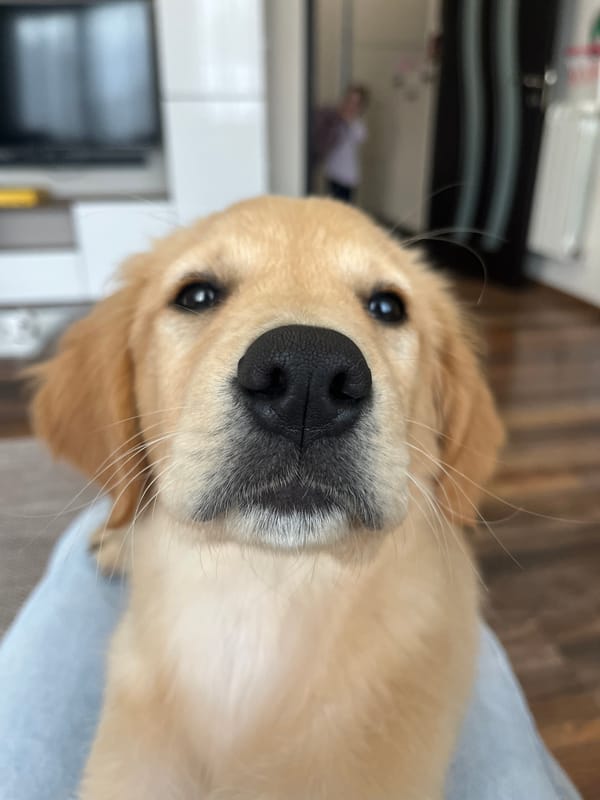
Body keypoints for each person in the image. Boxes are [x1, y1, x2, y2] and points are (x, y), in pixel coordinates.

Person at [323, 84, 369, 203]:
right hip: (332, 172)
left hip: (347, 177)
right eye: (349, 100)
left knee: (343, 213)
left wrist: (348, 119)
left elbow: (360, 138)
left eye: (356, 103)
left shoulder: (359, 125)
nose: (351, 106)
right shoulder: (334, 119)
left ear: (361, 107)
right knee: (329, 209)